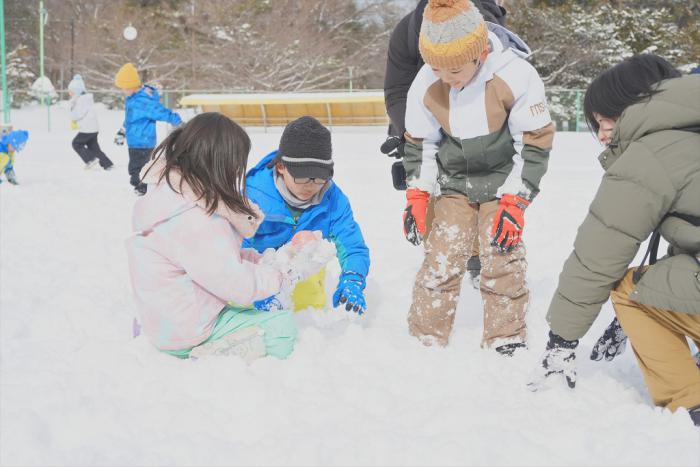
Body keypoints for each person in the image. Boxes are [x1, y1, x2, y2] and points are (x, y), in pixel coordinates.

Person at [528, 55, 700, 426]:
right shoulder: (690, 128)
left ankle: (691, 402)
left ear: (632, 104)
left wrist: (562, 341)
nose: (603, 134)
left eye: (604, 120)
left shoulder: (651, 152)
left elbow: (598, 253)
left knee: (626, 289)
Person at [402, 0, 554, 354]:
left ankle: (506, 337)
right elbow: (421, 143)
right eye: (436, 68)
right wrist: (418, 196)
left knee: (501, 254)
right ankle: (425, 336)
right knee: (442, 254)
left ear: (480, 52)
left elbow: (534, 142)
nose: (445, 78)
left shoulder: (514, 75)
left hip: (503, 183)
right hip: (455, 183)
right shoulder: (427, 81)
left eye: (454, 69)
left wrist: (516, 201)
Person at [126, 112, 330, 361]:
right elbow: (232, 280)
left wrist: (256, 260)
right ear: (218, 165)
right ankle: (212, 353)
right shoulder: (196, 220)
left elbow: (211, 260)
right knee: (281, 327)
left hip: (165, 319)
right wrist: (278, 277)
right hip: (187, 331)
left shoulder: (171, 201)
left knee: (251, 300)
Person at [382, 0, 507, 284]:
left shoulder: (483, 28)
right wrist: (410, 132)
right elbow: (397, 90)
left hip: (479, 120)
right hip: (422, 117)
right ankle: (442, 258)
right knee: (429, 197)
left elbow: (503, 86)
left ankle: (480, 260)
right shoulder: (406, 33)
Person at [243, 116, 370, 314]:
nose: (311, 185)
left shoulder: (333, 201)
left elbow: (353, 247)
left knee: (303, 317)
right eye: (302, 176)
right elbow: (232, 247)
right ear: (281, 167)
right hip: (254, 277)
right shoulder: (252, 196)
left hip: (302, 278)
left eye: (319, 177)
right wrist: (253, 283)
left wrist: (353, 278)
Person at [113, 63, 182, 196]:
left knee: (138, 168)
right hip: (135, 140)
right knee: (135, 166)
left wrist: (176, 120)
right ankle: (142, 185)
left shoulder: (143, 101)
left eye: (124, 88)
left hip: (143, 140)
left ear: (132, 85)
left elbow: (160, 111)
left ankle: (143, 188)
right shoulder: (133, 99)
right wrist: (122, 131)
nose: (123, 91)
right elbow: (130, 119)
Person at [68, 74, 114, 171]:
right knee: (94, 148)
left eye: (71, 91)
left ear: (77, 91)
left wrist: (72, 105)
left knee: (76, 143)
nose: (69, 93)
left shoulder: (81, 100)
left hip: (87, 129)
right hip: (92, 129)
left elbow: (76, 115)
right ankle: (107, 164)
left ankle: (90, 159)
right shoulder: (85, 99)